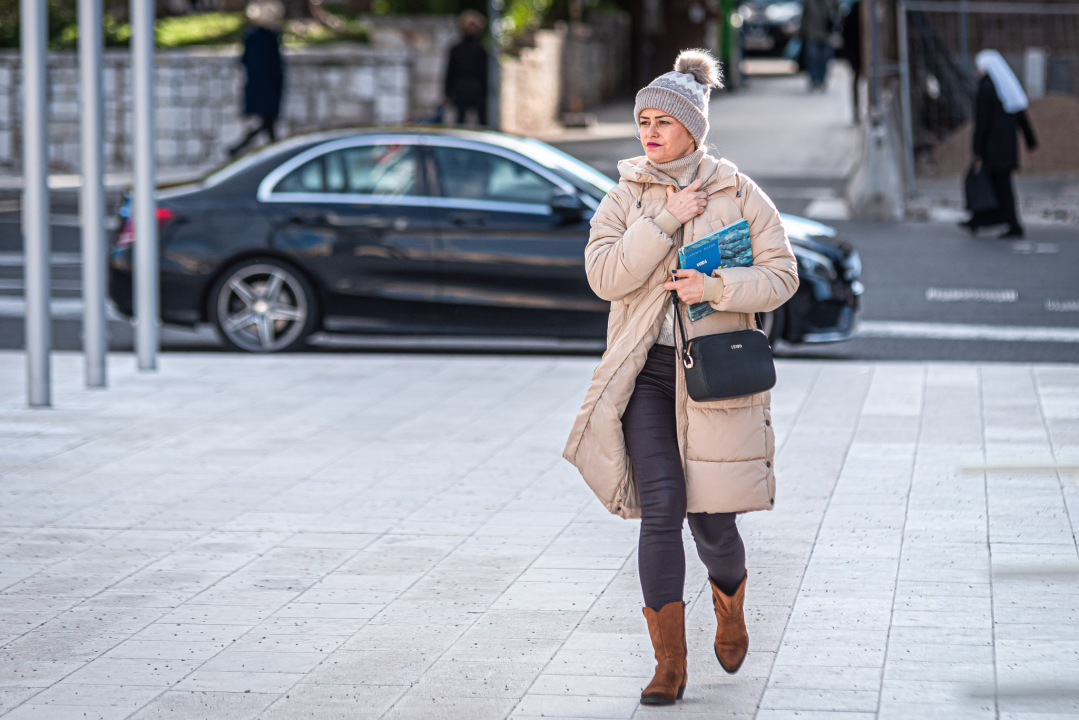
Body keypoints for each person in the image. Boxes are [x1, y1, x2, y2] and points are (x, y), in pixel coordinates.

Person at [563, 50, 799, 707]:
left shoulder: (738, 193)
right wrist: (665, 218)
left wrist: (716, 287)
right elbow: (605, 277)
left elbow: (782, 275)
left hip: (714, 374)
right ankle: (668, 664)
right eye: (643, 120)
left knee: (713, 525)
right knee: (662, 507)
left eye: (662, 121)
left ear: (692, 128)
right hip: (646, 373)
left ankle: (730, 605)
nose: (649, 131)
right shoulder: (623, 196)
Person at [963, 49, 1038, 238]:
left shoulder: (986, 87)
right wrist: (1031, 141)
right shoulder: (1006, 88)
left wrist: (977, 148)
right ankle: (983, 220)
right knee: (999, 186)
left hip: (992, 148)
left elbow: (982, 121)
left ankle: (997, 222)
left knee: (998, 187)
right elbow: (1020, 114)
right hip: (1008, 147)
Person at [229, 0, 285, 158]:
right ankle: (237, 149)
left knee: (267, 125)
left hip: (256, 88)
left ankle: (273, 152)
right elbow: (276, 67)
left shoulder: (251, 37)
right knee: (267, 124)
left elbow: (244, 61)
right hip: (269, 89)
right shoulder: (270, 38)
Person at [444, 11, 489, 126]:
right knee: (482, 122)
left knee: (460, 121)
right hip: (476, 90)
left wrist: (448, 93)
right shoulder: (480, 49)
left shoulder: (457, 48)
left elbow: (450, 73)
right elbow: (485, 74)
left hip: (461, 90)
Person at [801, 0, 839, 91]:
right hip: (813, 34)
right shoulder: (809, 2)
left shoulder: (831, 2)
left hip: (827, 35)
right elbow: (804, 17)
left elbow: (836, 16)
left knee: (824, 58)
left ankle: (821, 79)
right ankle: (814, 79)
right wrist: (803, 32)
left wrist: (836, 32)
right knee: (813, 58)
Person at [841, 0, 862, 122]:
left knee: (856, 81)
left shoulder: (852, 12)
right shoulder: (854, 13)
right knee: (856, 81)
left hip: (855, 54)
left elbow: (845, 35)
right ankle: (856, 109)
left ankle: (856, 109)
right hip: (857, 53)